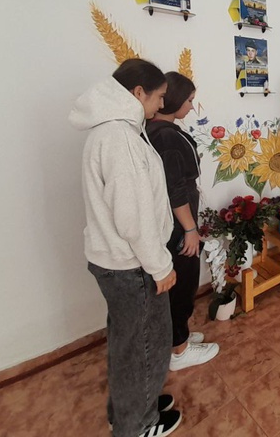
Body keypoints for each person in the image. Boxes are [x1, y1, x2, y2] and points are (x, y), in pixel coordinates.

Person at [69, 59, 182, 437]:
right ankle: (138, 425)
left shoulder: (113, 130)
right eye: (159, 97)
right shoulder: (119, 138)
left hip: (118, 262)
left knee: (129, 342)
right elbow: (133, 217)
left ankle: (131, 409)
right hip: (132, 265)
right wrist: (160, 266)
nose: (160, 105)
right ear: (138, 92)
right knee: (147, 344)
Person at [146, 72, 220, 372]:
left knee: (182, 281)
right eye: (189, 100)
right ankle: (179, 350)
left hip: (176, 221)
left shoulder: (160, 130)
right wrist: (190, 229)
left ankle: (179, 337)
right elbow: (175, 188)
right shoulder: (165, 136)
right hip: (178, 226)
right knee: (183, 283)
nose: (191, 107)